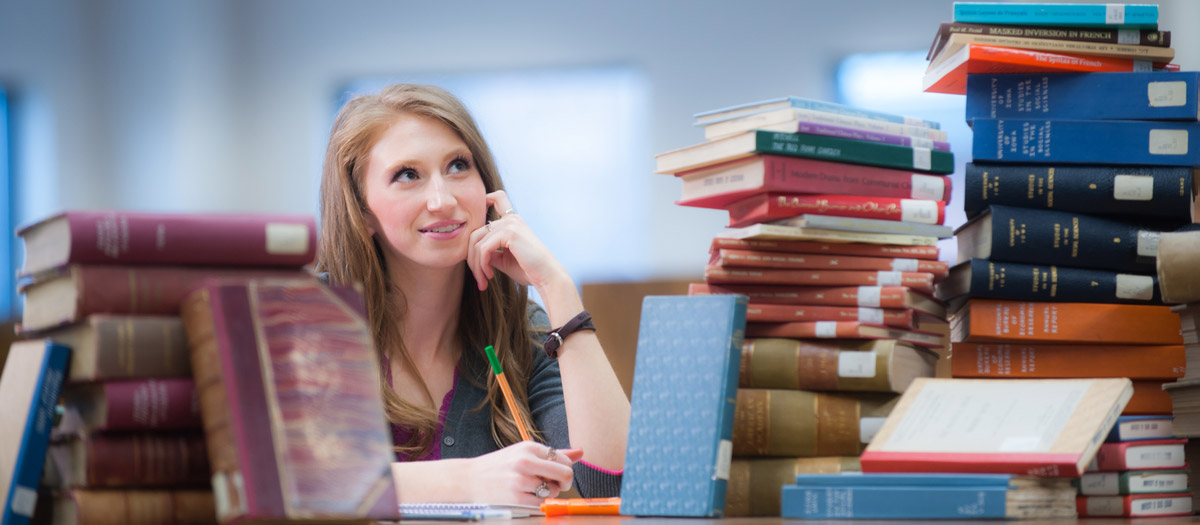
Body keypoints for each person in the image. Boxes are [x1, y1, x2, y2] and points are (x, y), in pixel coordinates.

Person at [314, 84, 630, 505]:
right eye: (407, 175)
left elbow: (612, 483)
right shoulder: (309, 318)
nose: (442, 200)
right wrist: (466, 481)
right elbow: (290, 481)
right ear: (362, 209)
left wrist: (557, 287)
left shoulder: (521, 330)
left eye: (458, 166)